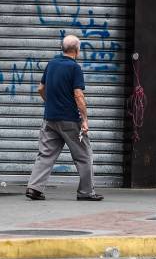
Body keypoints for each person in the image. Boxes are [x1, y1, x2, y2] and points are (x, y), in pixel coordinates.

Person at [25, 34, 103, 201]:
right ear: (77, 50)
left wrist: (52, 103)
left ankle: (34, 188)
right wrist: (84, 119)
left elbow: (40, 88)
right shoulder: (74, 68)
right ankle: (86, 192)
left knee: (45, 154)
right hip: (70, 121)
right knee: (84, 155)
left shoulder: (51, 64)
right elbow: (78, 95)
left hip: (50, 119)